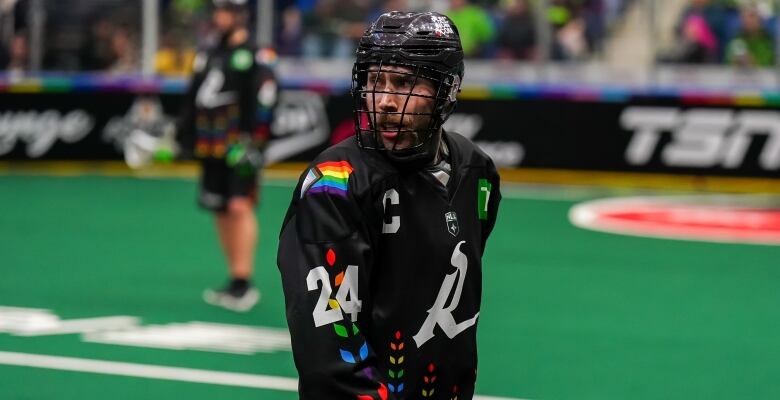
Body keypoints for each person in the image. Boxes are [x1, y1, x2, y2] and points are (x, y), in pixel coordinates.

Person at [277, 11, 501, 398]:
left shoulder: (477, 171)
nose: (385, 101)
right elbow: (327, 350)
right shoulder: (335, 183)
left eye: (403, 83)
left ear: (447, 91)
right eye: (375, 81)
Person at [176, 0, 277, 312]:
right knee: (219, 207)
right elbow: (193, 98)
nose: (217, 18)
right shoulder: (208, 53)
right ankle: (234, 279)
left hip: (241, 146)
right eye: (216, 11)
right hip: (211, 145)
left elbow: (267, 99)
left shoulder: (257, 55)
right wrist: (184, 136)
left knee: (239, 205)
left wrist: (256, 142)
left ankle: (244, 283)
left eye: (224, 12)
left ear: (238, 16)